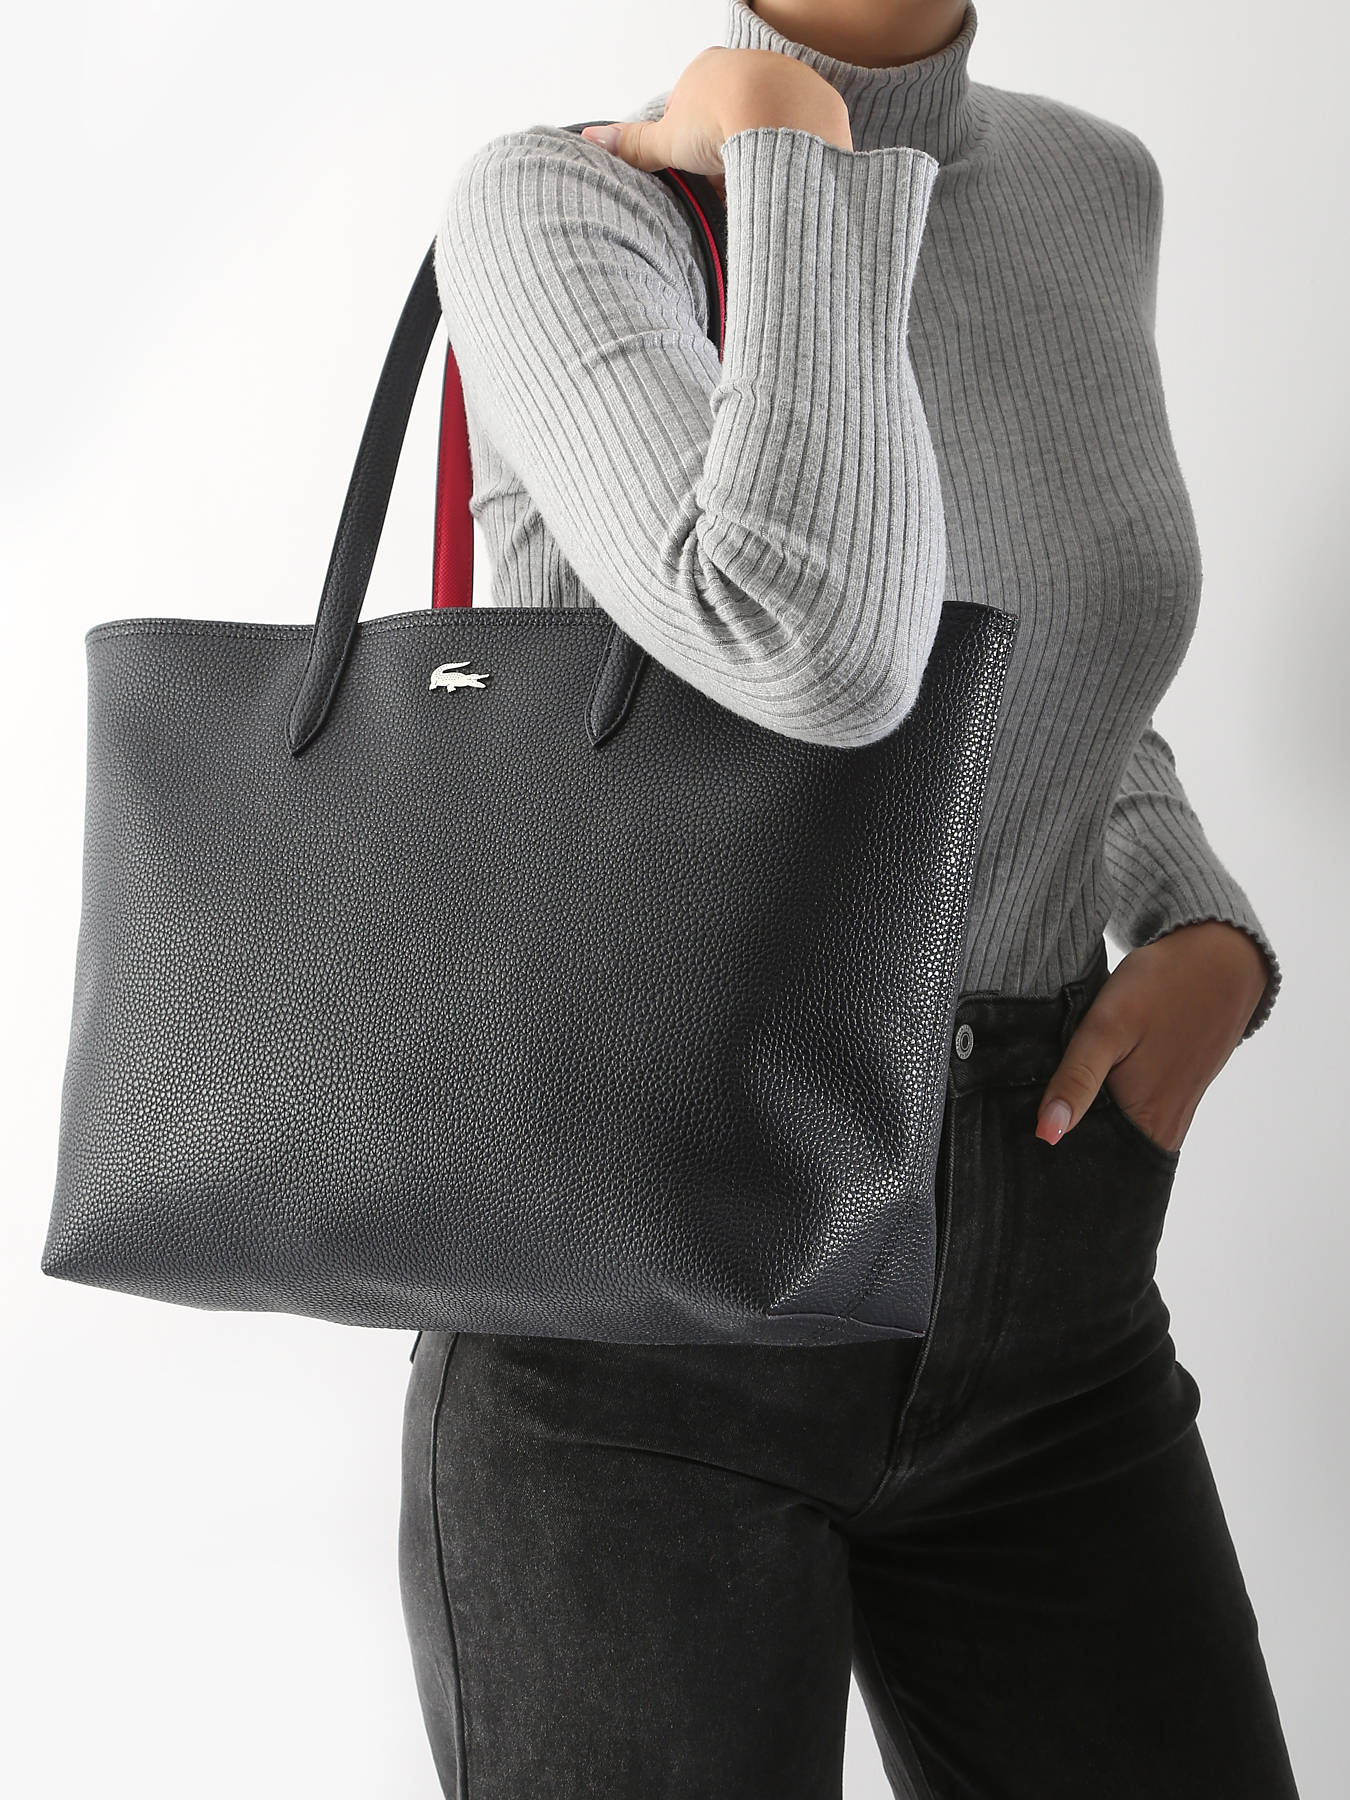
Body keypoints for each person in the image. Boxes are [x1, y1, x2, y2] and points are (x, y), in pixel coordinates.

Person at [398, 3, 1300, 1794]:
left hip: (1048, 1284)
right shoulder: (558, 209)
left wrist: (1191, 911)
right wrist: (794, 156)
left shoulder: (1091, 184)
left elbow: (1038, 651)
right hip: (645, 1318)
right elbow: (803, 641)